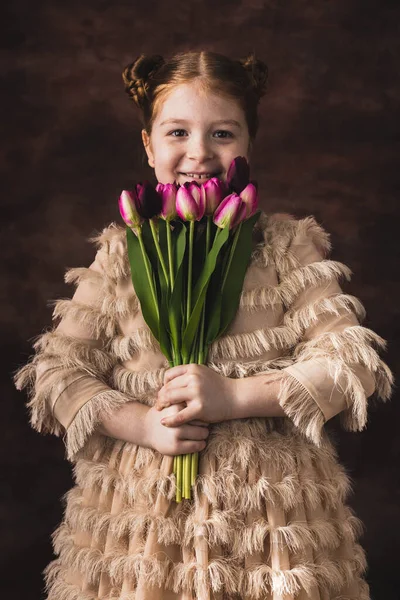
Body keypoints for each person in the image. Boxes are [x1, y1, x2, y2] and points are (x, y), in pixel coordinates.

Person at [14, 50, 393, 600]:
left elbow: (350, 363)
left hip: (268, 516)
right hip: (144, 524)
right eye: (176, 132)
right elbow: (55, 372)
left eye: (222, 133)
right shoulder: (122, 253)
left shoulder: (286, 247)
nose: (199, 153)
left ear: (248, 144)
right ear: (148, 146)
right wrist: (141, 425)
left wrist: (236, 397)